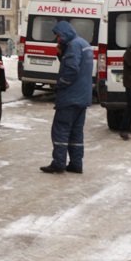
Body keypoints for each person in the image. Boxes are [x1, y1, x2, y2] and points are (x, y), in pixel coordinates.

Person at [40, 20, 93, 174]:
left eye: (58, 36)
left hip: (70, 97)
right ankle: (76, 163)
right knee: (76, 132)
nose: (57, 40)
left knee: (60, 130)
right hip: (83, 97)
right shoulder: (84, 44)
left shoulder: (73, 46)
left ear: (63, 34)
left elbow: (71, 69)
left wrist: (60, 84)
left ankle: (58, 163)